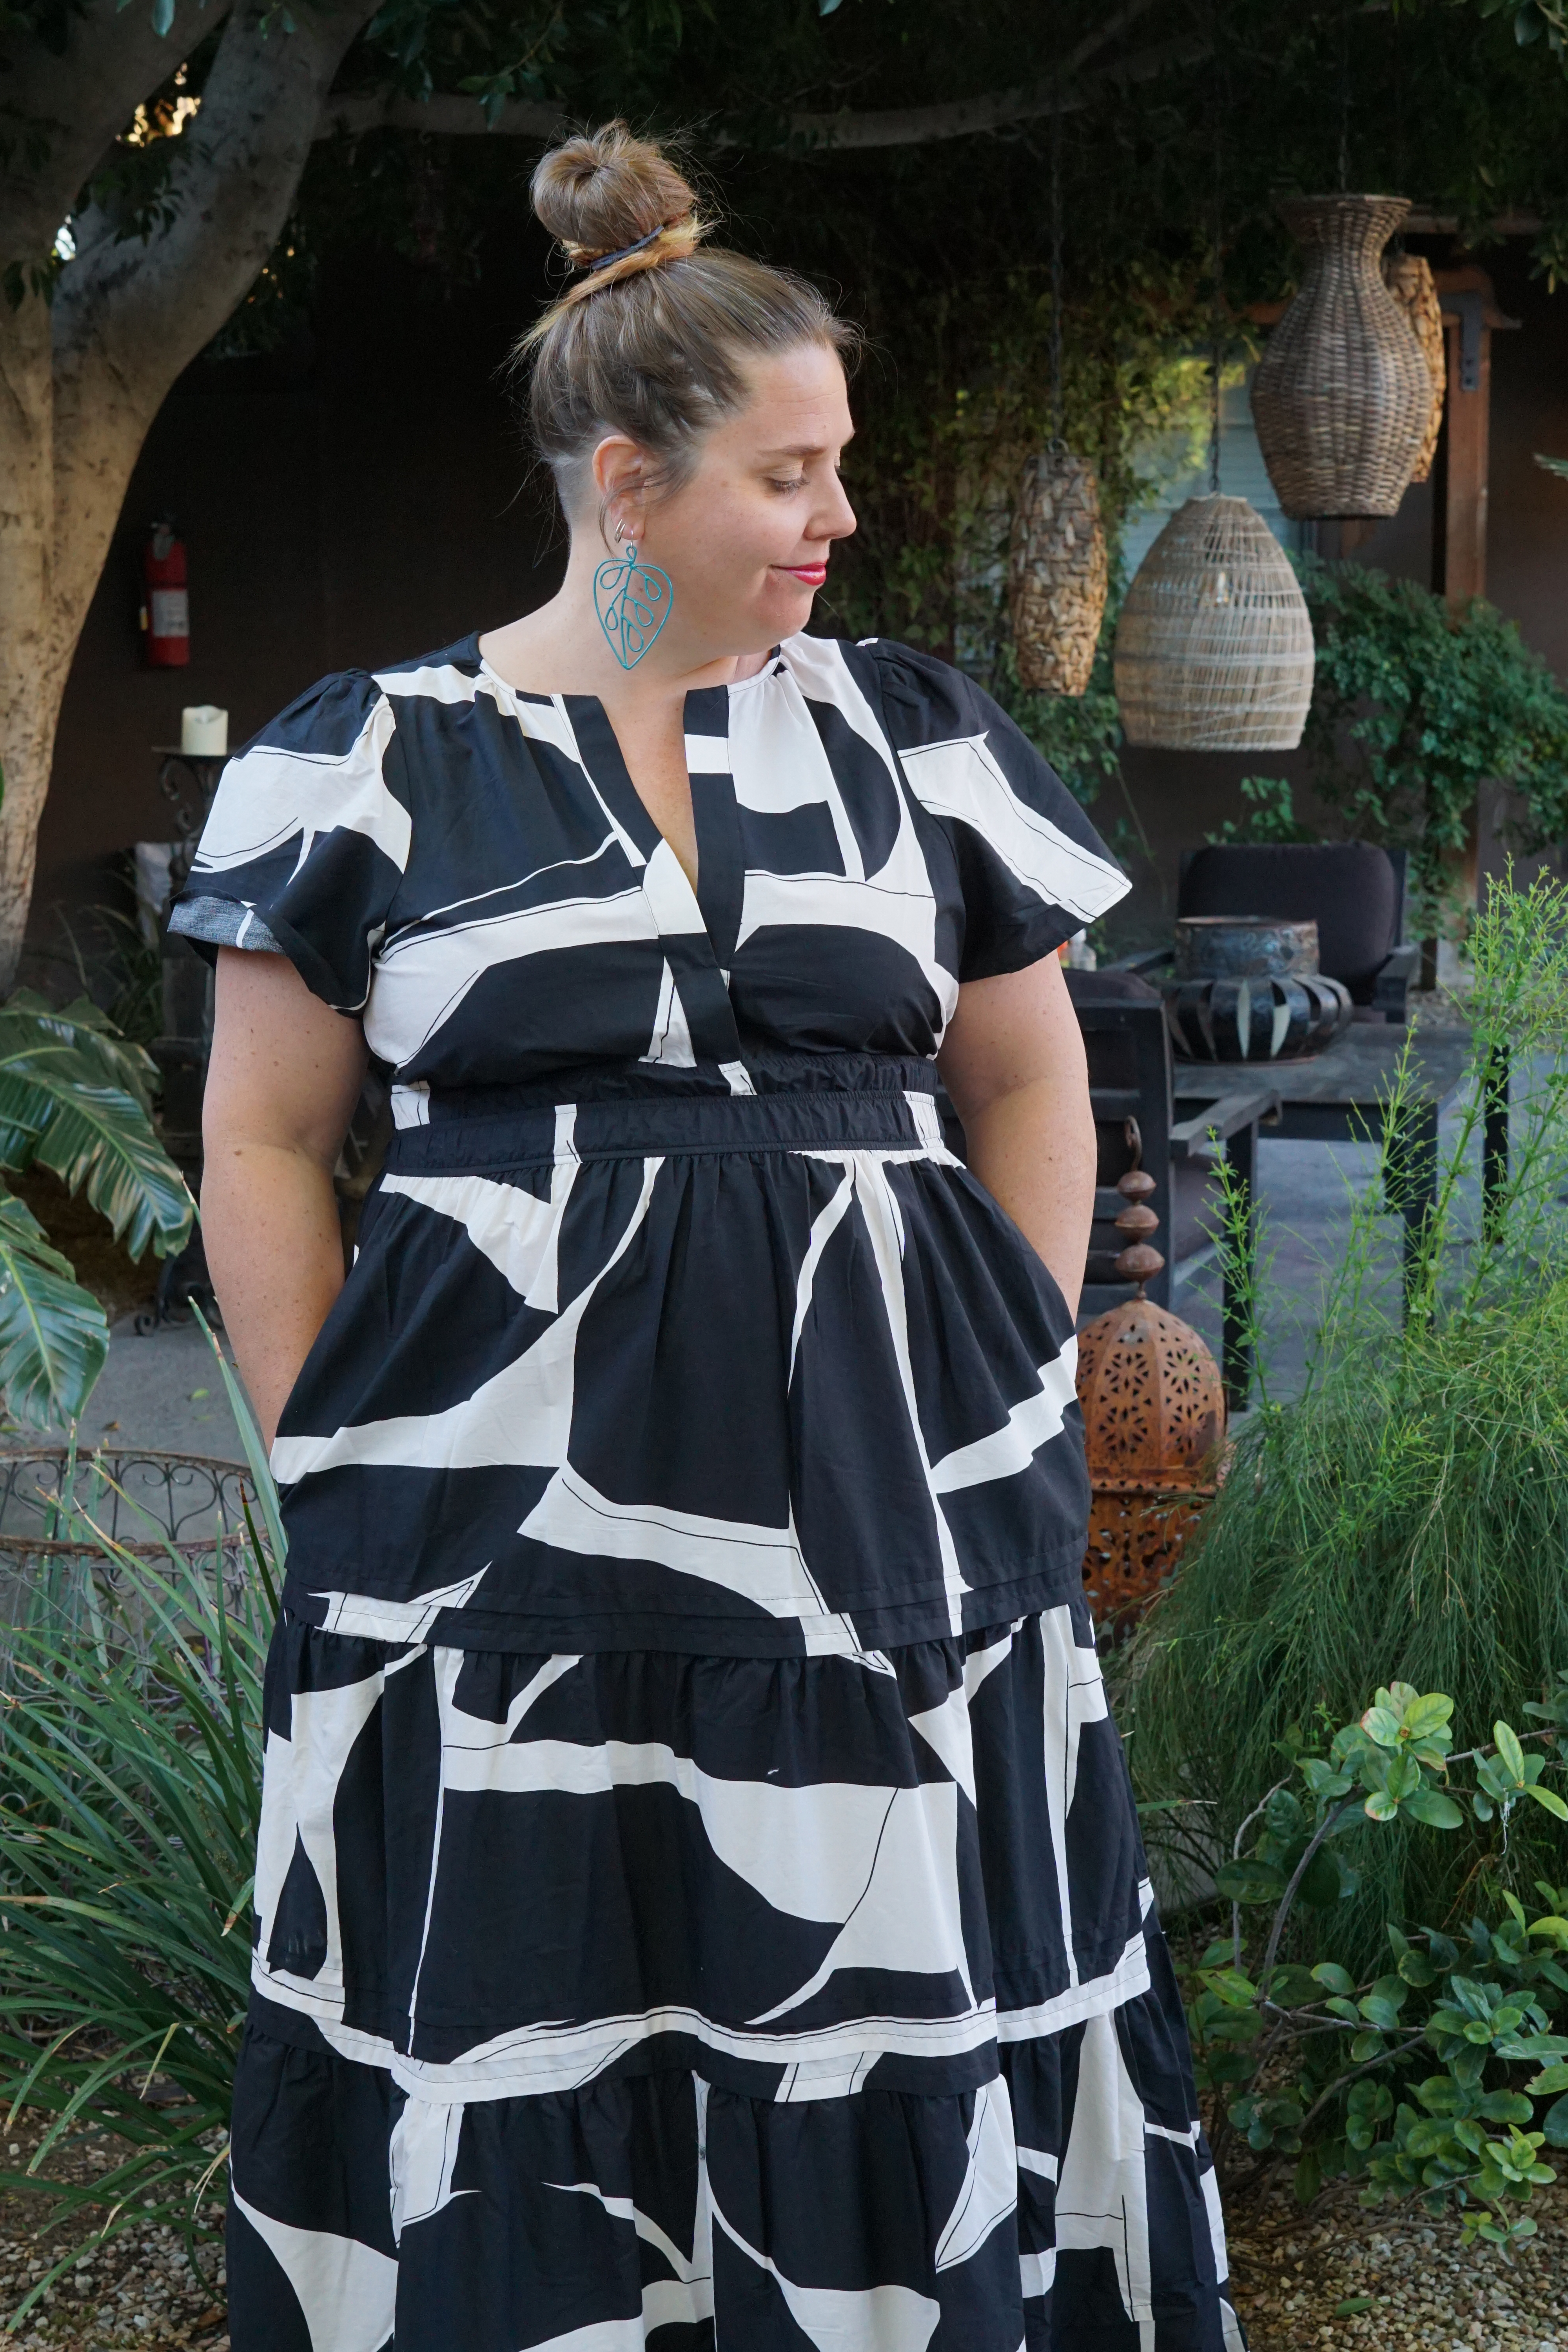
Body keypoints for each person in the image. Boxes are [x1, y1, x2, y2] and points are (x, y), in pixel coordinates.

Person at [174, 120, 1244, 2352]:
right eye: (790, 474)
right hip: (491, 1542)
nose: (840, 518)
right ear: (624, 485)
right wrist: (325, 1459)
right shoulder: (360, 762)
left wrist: (1009, 1364)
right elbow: (266, 1144)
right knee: (532, 1984)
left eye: (839, 465)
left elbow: (1029, 1077)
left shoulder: (914, 739)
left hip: (888, 1512)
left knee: (891, 1971)